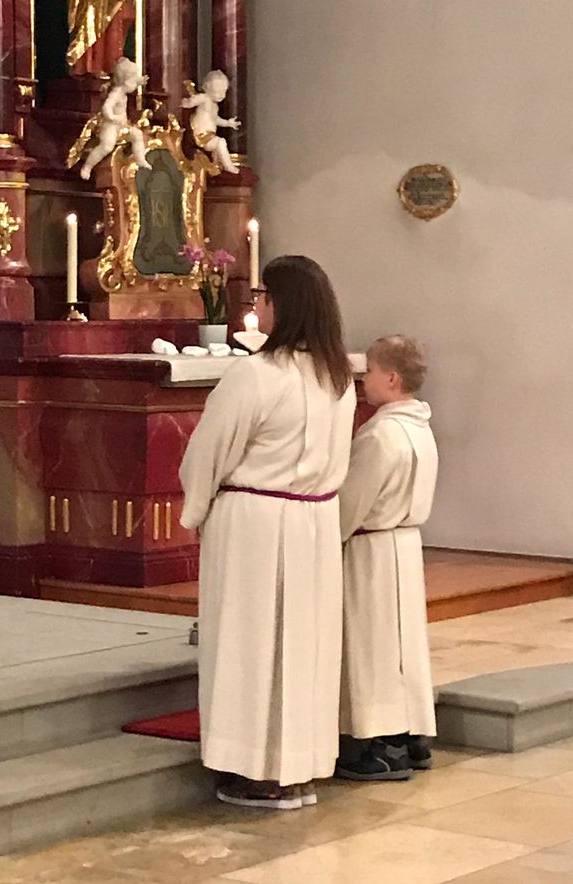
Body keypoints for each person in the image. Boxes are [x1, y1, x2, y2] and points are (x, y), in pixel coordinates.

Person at [179, 255, 356, 809]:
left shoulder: (256, 374)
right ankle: (298, 769)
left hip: (255, 521)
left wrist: (197, 509)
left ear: (282, 305)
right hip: (314, 520)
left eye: (262, 298)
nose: (256, 307)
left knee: (250, 643)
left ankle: (256, 772)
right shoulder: (338, 379)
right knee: (302, 646)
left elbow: (208, 451)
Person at [336, 335, 439, 781]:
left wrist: (326, 537)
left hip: (371, 549)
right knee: (402, 647)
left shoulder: (380, 434)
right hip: (405, 544)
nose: (363, 380)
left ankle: (375, 743)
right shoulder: (421, 427)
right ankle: (412, 735)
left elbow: (351, 502)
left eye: (370, 372)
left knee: (371, 647)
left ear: (392, 378)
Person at [79, 57, 151, 180]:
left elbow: (132, 84)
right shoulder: (116, 94)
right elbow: (106, 107)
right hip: (111, 125)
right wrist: (113, 117)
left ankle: (140, 160)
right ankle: (87, 167)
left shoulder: (124, 91)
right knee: (107, 146)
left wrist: (139, 81)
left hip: (122, 126)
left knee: (137, 135)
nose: (135, 84)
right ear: (125, 81)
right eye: (134, 80)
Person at [181, 70, 241, 174]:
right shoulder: (204, 98)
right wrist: (187, 103)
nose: (221, 95)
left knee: (219, 145)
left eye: (224, 92)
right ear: (207, 88)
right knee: (221, 142)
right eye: (217, 92)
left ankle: (221, 164)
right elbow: (193, 100)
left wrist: (228, 123)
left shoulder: (214, 105)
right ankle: (228, 166)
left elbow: (215, 119)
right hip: (201, 135)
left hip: (209, 135)